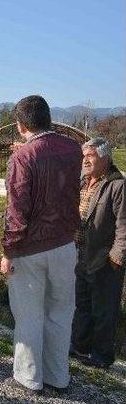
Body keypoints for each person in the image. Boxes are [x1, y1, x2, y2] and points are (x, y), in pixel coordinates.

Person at [0, 95, 82, 395]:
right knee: (60, 313)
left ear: (20, 125)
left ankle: (28, 378)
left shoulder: (23, 157)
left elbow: (16, 210)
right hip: (65, 242)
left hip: (31, 248)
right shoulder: (73, 149)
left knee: (29, 316)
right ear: (49, 118)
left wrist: (8, 249)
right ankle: (58, 377)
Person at [71, 137, 125, 369]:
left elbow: (124, 225)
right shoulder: (83, 182)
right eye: (84, 156)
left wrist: (116, 255)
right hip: (80, 254)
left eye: (90, 155)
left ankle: (102, 357)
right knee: (82, 304)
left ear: (105, 157)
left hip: (104, 258)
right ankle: (81, 348)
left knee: (104, 310)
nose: (85, 160)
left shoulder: (117, 185)